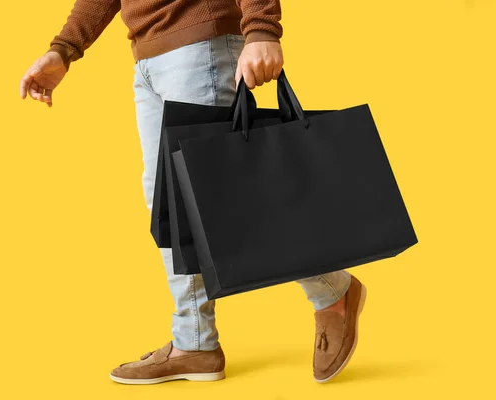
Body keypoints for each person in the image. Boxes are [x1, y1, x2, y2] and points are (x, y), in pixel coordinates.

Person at [19, 0, 367, 385]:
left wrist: (262, 27)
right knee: (171, 205)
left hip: (200, 46)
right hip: (147, 61)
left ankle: (333, 291)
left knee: (218, 200)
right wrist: (63, 49)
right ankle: (195, 344)